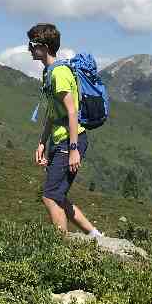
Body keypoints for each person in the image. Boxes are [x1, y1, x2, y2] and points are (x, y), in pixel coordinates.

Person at [28, 23, 104, 238]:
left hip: (71, 141)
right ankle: (95, 235)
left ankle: (62, 250)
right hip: (61, 141)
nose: (29, 49)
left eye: (32, 44)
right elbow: (53, 113)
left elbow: (71, 113)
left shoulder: (59, 74)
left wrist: (73, 150)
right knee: (58, 195)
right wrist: (42, 142)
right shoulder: (49, 72)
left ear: (44, 46)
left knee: (50, 196)